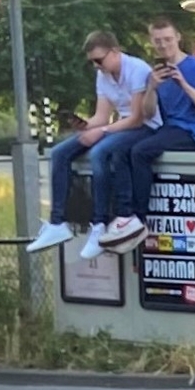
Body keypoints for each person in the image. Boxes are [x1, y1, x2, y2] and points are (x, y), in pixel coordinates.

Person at [94, 18, 195, 253]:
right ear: (152, 42)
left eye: (168, 39)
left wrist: (184, 84)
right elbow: (149, 112)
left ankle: (139, 217)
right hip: (167, 129)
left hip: (190, 132)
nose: (164, 45)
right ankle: (124, 213)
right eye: (158, 41)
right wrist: (152, 87)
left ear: (178, 38)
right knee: (121, 151)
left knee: (140, 152)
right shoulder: (153, 72)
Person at [29, 31, 153, 253]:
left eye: (99, 60)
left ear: (115, 52)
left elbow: (136, 118)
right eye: (92, 63)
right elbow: (102, 116)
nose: (97, 66)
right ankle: (58, 222)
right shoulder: (103, 75)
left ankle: (99, 224)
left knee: (99, 153)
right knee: (59, 153)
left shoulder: (138, 69)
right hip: (118, 126)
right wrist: (86, 126)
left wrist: (101, 131)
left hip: (144, 127)